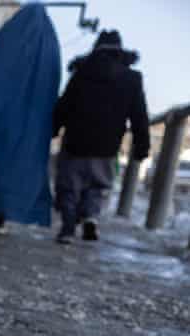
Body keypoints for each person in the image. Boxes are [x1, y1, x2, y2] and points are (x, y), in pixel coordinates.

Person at [0, 4, 61, 235]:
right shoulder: (48, 48)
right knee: (12, 168)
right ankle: (0, 217)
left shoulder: (6, 42)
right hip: (28, 126)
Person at [52, 30, 150, 244]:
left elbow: (65, 104)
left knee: (69, 186)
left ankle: (68, 226)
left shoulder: (82, 71)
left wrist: (53, 128)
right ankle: (90, 217)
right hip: (107, 145)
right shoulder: (131, 78)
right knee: (97, 186)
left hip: (76, 141)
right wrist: (142, 145)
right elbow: (139, 114)